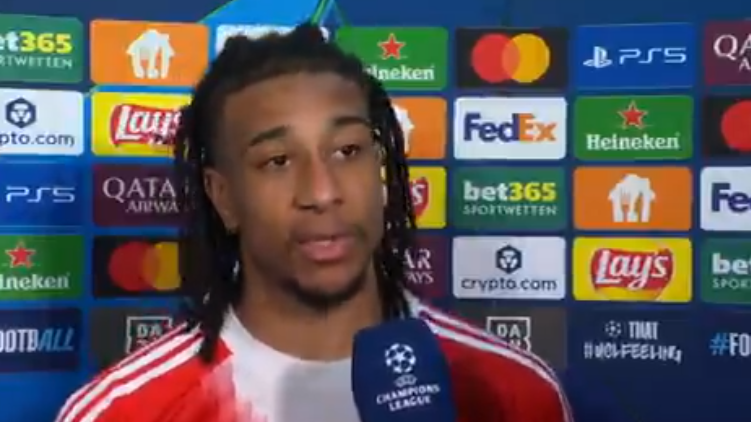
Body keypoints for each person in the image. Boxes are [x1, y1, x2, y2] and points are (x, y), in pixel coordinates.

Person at [55, 23, 572, 422]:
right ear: (223, 197)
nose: (323, 192)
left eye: (348, 150)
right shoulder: (126, 412)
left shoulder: (515, 393)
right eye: (278, 161)